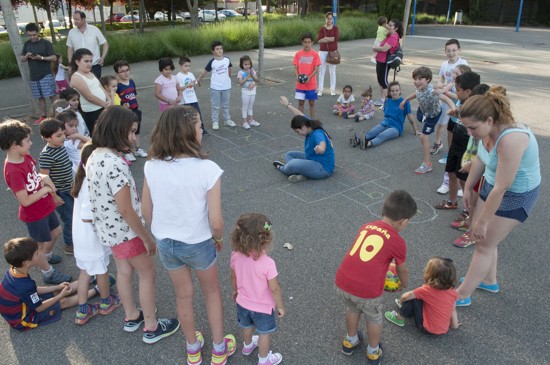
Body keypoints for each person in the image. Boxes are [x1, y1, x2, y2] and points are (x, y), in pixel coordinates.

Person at [141, 106, 235, 365]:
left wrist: (159, 232)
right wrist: (218, 237)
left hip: (167, 243)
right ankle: (218, 349)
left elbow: (146, 209)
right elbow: (216, 221)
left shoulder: (152, 165)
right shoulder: (207, 169)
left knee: (183, 295)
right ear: (187, 133)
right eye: (198, 126)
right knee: (212, 292)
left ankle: (192, 348)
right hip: (198, 242)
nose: (201, 130)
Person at [87, 106, 180, 343]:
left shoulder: (94, 155)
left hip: (109, 232)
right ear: (117, 130)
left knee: (124, 271)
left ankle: (132, 316)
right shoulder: (115, 164)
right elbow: (126, 209)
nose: (134, 138)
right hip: (127, 233)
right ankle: (151, 325)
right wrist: (146, 238)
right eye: (131, 132)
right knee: (147, 273)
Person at [455, 87, 541, 307]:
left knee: (483, 242)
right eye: (467, 128)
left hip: (515, 195)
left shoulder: (511, 140)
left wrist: (483, 221)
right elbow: (480, 160)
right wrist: (467, 189)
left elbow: (502, 188)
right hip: (491, 185)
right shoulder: (486, 133)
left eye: (473, 128)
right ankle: (489, 280)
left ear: (490, 120)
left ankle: (461, 295)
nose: (470, 133)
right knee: (483, 239)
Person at [335, 190, 415, 365]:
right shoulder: (398, 241)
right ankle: (373, 351)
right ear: (404, 222)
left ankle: (350, 340)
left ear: (383, 212)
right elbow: (402, 269)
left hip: (343, 281)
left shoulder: (367, 226)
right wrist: (404, 283)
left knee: (352, 309)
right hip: (367, 290)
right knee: (373, 318)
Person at [1, 120, 71, 285]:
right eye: (27, 141)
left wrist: (43, 177)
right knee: (37, 248)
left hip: (44, 206)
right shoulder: (12, 170)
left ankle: (45, 257)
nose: (31, 143)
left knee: (56, 232)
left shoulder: (24, 156)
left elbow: (34, 176)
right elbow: (25, 201)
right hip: (34, 214)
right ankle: (48, 273)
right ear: (14, 145)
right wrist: (45, 190)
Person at [0, 237, 97, 331]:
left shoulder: (14, 270)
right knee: (62, 301)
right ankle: (97, 289)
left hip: (20, 305)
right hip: (22, 320)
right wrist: (60, 296)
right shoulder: (25, 285)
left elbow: (34, 290)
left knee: (58, 291)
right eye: (37, 254)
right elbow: (39, 308)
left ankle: (89, 279)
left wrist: (57, 287)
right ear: (26, 262)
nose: (39, 254)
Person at [71, 142, 119, 325]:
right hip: (93, 239)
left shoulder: (81, 179)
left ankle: (83, 310)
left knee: (84, 272)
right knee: (102, 270)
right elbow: (88, 216)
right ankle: (106, 301)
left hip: (81, 238)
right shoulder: (92, 183)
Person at [230, 213, 285, 365]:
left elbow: (233, 276)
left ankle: (247, 346)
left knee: (246, 325)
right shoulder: (268, 263)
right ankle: (264, 359)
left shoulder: (235, 255)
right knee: (264, 333)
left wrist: (235, 291)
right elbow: (274, 289)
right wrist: (280, 306)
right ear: (265, 240)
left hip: (242, 302)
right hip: (263, 308)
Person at [434, 71, 480, 211]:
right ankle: (452, 201)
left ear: (468, 91)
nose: (456, 93)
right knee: (451, 172)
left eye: (458, 90)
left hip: (467, 148)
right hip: (456, 143)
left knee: (464, 179)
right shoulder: (463, 101)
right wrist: (456, 112)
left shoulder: (475, 107)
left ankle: (468, 211)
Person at [400, 66, 456, 174]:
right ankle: (431, 136)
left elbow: (446, 99)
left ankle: (427, 164)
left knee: (423, 137)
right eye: (415, 79)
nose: (416, 82)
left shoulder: (432, 92)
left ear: (428, 80)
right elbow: (416, 94)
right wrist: (406, 99)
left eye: (420, 79)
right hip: (423, 111)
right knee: (420, 119)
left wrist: (453, 108)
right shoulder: (420, 88)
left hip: (433, 115)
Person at [384, 257, 460, 334]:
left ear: (430, 275)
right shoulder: (453, 292)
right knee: (425, 299)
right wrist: (455, 325)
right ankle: (410, 311)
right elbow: (453, 309)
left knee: (413, 298)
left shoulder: (427, 290)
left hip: (425, 328)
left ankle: (399, 317)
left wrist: (401, 301)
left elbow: (405, 296)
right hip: (443, 330)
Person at [272, 96, 335, 183]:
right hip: (312, 159)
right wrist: (287, 105)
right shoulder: (308, 123)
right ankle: (302, 172)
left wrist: (321, 147)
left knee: (292, 164)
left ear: (303, 127)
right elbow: (299, 115)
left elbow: (322, 143)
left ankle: (283, 168)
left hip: (322, 169)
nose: (299, 134)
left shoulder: (317, 133)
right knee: (289, 155)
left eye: (298, 132)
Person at [38, 119, 75, 256]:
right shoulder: (47, 154)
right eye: (59, 136)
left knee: (75, 215)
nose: (63, 137)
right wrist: (54, 196)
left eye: (63, 134)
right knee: (69, 219)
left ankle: (75, 239)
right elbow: (44, 177)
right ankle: (69, 244)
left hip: (70, 188)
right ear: (47, 138)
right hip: (60, 192)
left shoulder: (60, 146)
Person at [436, 64, 471, 195]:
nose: (453, 75)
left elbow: (450, 98)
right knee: (452, 157)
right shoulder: (455, 87)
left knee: (462, 162)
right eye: (453, 73)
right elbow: (445, 91)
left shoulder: (467, 100)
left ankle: (463, 188)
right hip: (455, 126)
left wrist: (445, 95)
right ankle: (447, 186)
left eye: (457, 73)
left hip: (464, 133)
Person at [350, 81, 418, 149]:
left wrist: (416, 130)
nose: (394, 92)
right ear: (389, 92)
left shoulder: (405, 102)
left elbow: (410, 117)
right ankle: (357, 140)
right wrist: (385, 101)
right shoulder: (388, 100)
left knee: (382, 135)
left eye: (397, 90)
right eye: (392, 91)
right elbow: (386, 113)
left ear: (400, 91)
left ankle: (368, 143)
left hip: (396, 128)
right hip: (385, 123)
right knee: (371, 133)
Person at [432, 39, 468, 156]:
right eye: (448, 51)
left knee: (457, 126)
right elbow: (442, 78)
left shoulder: (463, 64)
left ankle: (456, 150)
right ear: (445, 51)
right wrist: (439, 84)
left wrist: (444, 90)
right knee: (442, 122)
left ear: (459, 50)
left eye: (454, 50)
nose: (451, 53)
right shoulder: (444, 64)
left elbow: (462, 82)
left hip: (458, 98)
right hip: (447, 96)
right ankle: (438, 143)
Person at [20, 23, 58, 125]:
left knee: (52, 95)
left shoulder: (45, 43)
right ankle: (43, 116)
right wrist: (26, 56)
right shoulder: (27, 44)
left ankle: (59, 114)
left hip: (46, 74)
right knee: (40, 97)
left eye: (34, 35)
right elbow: (22, 59)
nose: (32, 37)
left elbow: (54, 57)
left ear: (38, 33)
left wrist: (41, 58)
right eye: (30, 35)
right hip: (33, 76)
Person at [197, 41, 236, 130]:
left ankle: (227, 120)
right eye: (217, 49)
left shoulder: (227, 60)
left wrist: (228, 79)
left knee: (226, 105)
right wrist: (199, 80)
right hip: (215, 87)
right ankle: (215, 121)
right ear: (213, 51)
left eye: (221, 48)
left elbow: (230, 70)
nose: (220, 50)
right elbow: (205, 71)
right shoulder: (212, 62)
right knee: (215, 105)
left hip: (226, 87)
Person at [69, 48, 109, 134]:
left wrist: (109, 99)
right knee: (99, 135)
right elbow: (89, 96)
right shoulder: (76, 77)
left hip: (103, 107)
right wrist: (105, 104)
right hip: (92, 112)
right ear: (77, 62)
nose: (89, 64)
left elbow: (101, 87)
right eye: (86, 61)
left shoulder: (91, 73)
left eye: (91, 61)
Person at [114, 60, 148, 158]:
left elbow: (134, 94)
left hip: (135, 111)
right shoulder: (117, 86)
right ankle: (127, 151)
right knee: (126, 132)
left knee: (136, 130)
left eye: (127, 70)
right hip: (124, 113)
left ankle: (137, 149)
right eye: (122, 71)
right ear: (117, 73)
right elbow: (115, 99)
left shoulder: (131, 82)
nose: (125, 73)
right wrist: (122, 105)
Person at [66, 10, 109, 79]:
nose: (75, 21)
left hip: (94, 65)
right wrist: (70, 64)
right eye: (74, 19)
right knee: (81, 88)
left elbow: (105, 44)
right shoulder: (71, 32)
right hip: (79, 67)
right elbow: (70, 49)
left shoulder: (94, 30)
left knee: (95, 87)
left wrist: (102, 57)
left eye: (77, 19)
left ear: (83, 19)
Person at [372, 19, 403, 107]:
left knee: (384, 81)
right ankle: (382, 99)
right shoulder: (389, 35)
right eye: (388, 25)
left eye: (391, 25)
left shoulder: (394, 37)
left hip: (385, 61)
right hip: (380, 59)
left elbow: (385, 49)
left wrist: (375, 48)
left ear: (396, 28)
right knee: (380, 80)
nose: (388, 26)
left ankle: (386, 101)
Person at [175, 56, 209, 135]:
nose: (188, 68)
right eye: (186, 66)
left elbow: (195, 84)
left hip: (193, 98)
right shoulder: (178, 76)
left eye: (189, 66)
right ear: (180, 66)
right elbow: (179, 88)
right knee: (186, 116)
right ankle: (186, 131)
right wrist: (188, 85)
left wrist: (196, 83)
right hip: (184, 100)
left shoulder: (190, 74)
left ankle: (201, 129)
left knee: (197, 114)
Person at [293, 33, 321, 119]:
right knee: (301, 103)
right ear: (302, 42)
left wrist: (309, 77)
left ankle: (313, 121)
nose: (307, 44)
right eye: (305, 42)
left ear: (312, 43)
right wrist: (297, 76)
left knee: (311, 103)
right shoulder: (298, 54)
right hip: (300, 85)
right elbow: (295, 68)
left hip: (311, 84)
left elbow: (316, 69)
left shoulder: (315, 54)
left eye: (309, 42)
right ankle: (301, 121)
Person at [317, 12, 339, 97]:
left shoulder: (335, 28)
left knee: (332, 71)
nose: (329, 20)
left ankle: (332, 90)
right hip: (323, 51)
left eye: (331, 18)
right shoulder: (322, 29)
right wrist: (330, 39)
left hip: (333, 52)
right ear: (325, 19)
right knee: (322, 70)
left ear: (333, 19)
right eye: (328, 18)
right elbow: (319, 40)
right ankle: (320, 90)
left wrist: (325, 38)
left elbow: (336, 38)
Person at [237, 55, 261, 130]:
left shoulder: (252, 70)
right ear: (242, 64)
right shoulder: (240, 72)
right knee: (245, 107)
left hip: (253, 91)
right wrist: (247, 77)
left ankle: (251, 120)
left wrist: (253, 80)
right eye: (245, 64)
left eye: (248, 64)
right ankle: (245, 122)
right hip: (245, 92)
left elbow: (257, 80)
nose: (247, 66)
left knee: (251, 107)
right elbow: (240, 83)